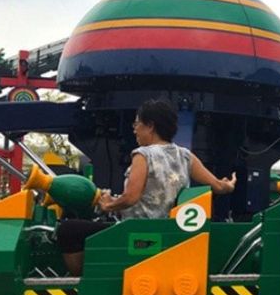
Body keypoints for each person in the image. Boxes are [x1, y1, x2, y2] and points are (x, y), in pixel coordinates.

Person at [56, 99, 236, 275]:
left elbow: (131, 197)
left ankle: (80, 281)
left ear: (150, 126)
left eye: (137, 124)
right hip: (167, 234)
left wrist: (108, 204)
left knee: (68, 230)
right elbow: (218, 187)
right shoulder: (185, 156)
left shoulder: (143, 155)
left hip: (137, 234)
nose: (134, 129)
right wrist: (229, 184)